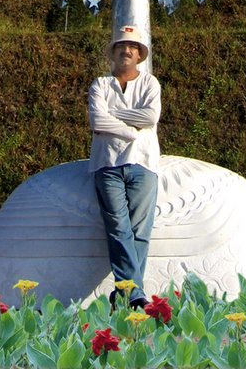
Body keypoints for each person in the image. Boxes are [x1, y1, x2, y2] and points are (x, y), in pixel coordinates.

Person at [88, 24, 161, 309]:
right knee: (118, 227)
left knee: (140, 230)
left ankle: (127, 295)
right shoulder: (99, 84)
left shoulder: (150, 83)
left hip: (143, 163)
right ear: (113, 53)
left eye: (132, 47)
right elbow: (97, 121)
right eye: (121, 46)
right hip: (107, 164)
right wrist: (132, 129)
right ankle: (135, 295)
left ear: (140, 54)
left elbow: (151, 116)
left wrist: (114, 115)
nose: (126, 51)